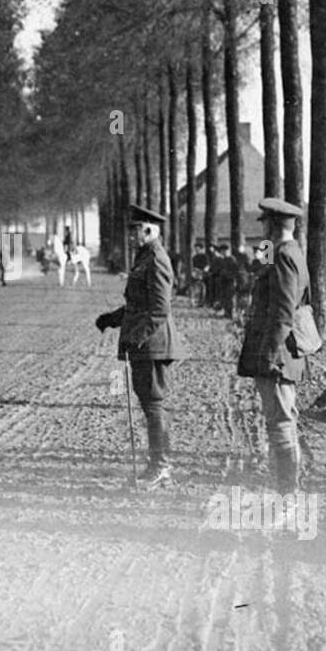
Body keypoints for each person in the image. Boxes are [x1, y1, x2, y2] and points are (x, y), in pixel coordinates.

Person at [94, 204, 179, 489]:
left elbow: (159, 309)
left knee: (154, 406)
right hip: (146, 344)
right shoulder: (144, 257)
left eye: (135, 231)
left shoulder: (156, 259)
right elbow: (138, 305)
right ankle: (159, 464)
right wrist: (113, 319)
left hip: (153, 345)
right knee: (150, 405)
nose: (130, 236)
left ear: (148, 231)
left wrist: (136, 336)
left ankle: (161, 466)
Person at [237, 198, 311, 491]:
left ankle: (288, 494)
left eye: (265, 223)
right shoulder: (282, 252)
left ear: (272, 224)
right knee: (278, 422)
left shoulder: (284, 255)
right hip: (276, 351)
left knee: (280, 424)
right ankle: (285, 489)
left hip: (278, 354)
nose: (263, 228)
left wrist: (268, 355)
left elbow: (283, 312)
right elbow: (262, 278)